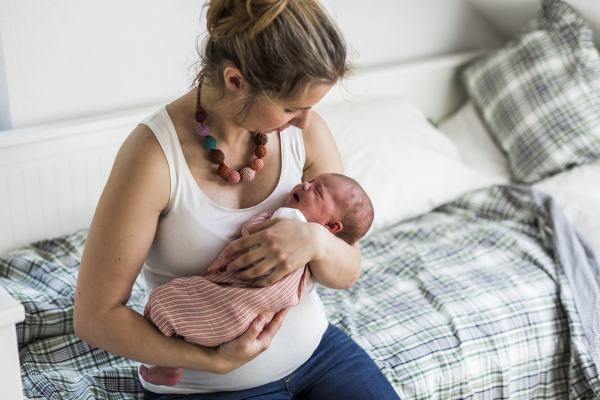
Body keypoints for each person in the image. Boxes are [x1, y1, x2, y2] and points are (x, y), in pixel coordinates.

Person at [73, 0, 401, 398]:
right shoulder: (153, 156)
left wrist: (315, 242)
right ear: (235, 80)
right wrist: (214, 361)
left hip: (321, 355)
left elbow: (348, 270)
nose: (305, 122)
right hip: (209, 386)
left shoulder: (305, 134)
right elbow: (94, 317)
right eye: (291, 107)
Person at [141, 173, 374, 386]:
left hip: (307, 347)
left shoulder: (288, 223)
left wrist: (314, 238)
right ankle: (172, 362)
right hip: (227, 357)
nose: (305, 184)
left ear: (332, 226)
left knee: (162, 301)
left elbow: (251, 238)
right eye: (310, 181)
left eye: (317, 190)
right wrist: (216, 361)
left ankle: (170, 365)